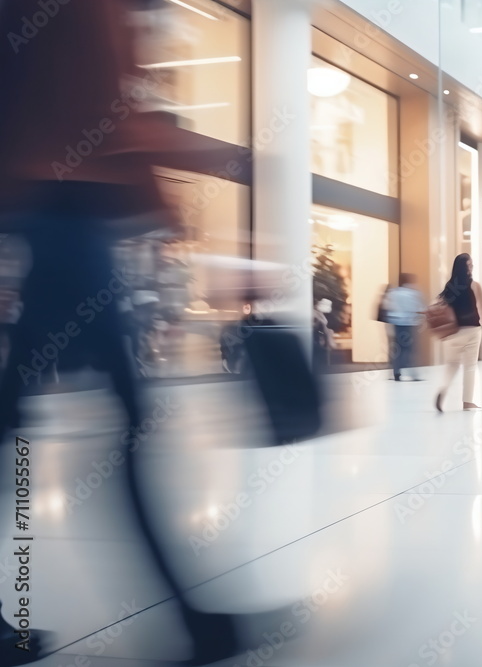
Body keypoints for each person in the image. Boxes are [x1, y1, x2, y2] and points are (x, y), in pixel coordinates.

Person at [0, 2, 254, 664]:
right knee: (127, 419)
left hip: (54, 213)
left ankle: (196, 623)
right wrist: (206, 167)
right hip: (65, 217)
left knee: (27, 415)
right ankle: (196, 626)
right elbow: (103, 115)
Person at [435, 254, 482, 411]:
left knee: (451, 365)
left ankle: (443, 389)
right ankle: (467, 402)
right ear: (467, 267)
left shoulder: (449, 287)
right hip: (472, 330)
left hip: (453, 332)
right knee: (470, 366)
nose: (472, 267)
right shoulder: (474, 285)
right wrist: (481, 324)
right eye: (470, 265)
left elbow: (440, 307)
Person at [385, 273, 425, 381]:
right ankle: (413, 373)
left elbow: (389, 307)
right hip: (409, 324)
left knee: (398, 349)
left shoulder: (393, 293)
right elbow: (418, 309)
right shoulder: (413, 293)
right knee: (411, 349)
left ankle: (396, 371)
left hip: (397, 323)